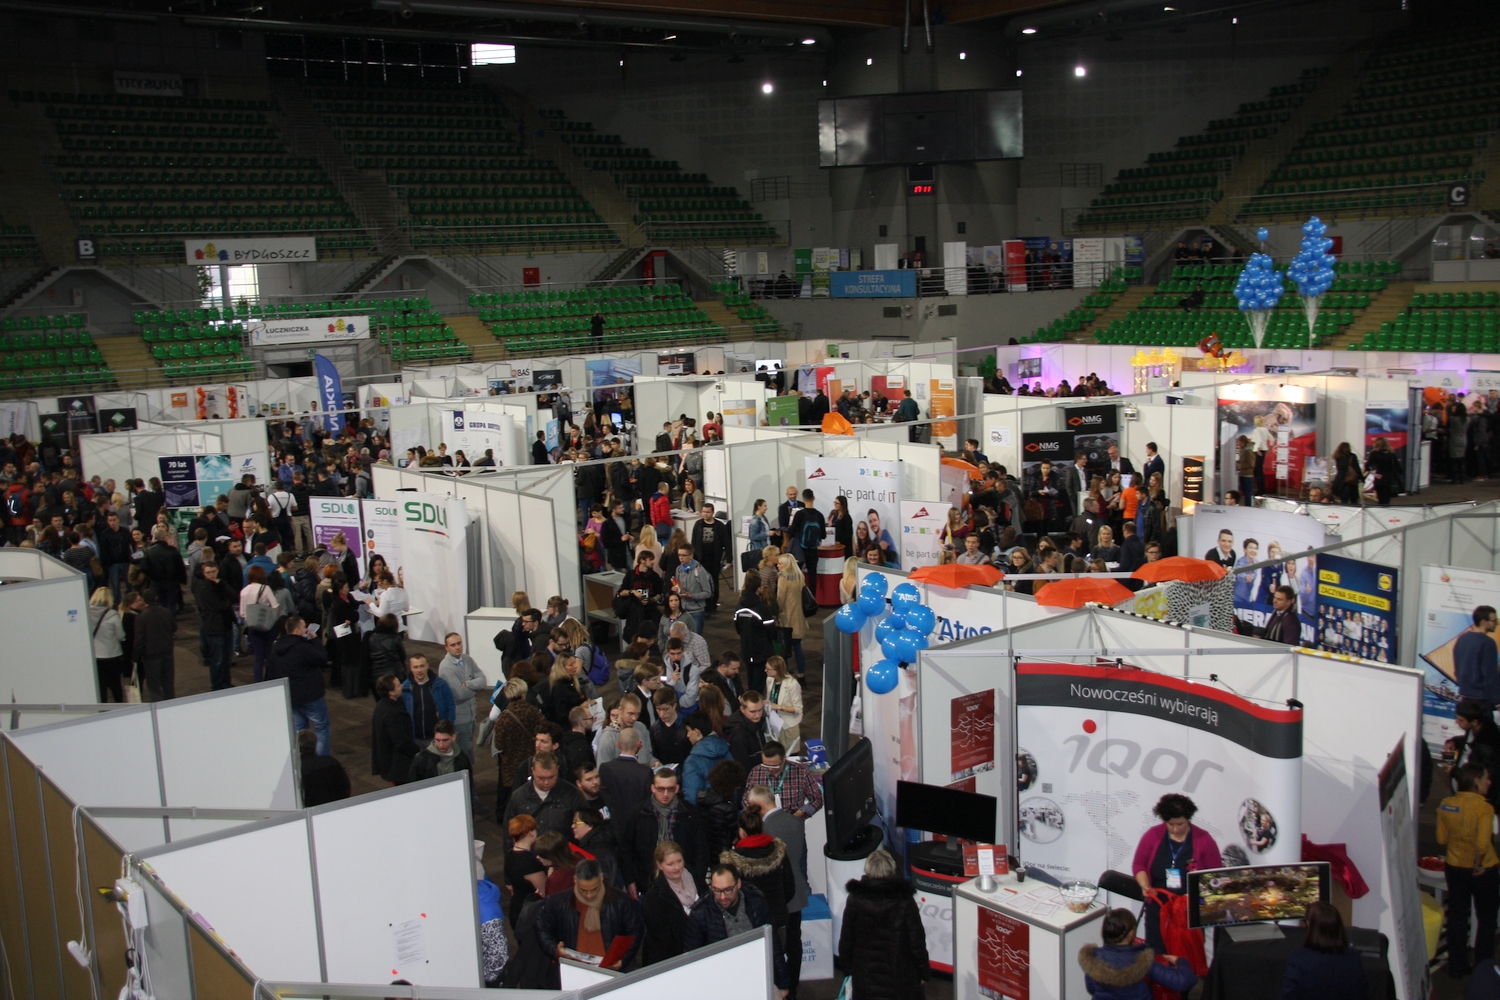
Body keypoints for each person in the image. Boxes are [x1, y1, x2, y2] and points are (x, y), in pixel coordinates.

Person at [1132, 794, 1222, 952]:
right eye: (1170, 824)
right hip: (1158, 909)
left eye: (1180, 824)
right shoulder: (1153, 835)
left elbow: (1216, 877)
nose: (1175, 829)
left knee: (1186, 955)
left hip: (1189, 911)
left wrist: (1196, 894)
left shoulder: (1204, 840)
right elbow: (1139, 864)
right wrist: (1145, 885)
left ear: (1188, 819)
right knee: (1158, 954)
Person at [684, 864, 791, 997]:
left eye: (728, 890)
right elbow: (692, 960)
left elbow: (774, 945)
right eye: (716, 890)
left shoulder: (757, 904)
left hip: (758, 978)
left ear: (738, 884)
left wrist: (783, 984)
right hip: (721, 986)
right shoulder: (700, 914)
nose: (722, 897)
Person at [836, 848, 928, 1000]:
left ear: (868, 869)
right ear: (891, 869)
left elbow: (847, 939)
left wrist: (848, 969)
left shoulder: (855, 899)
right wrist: (923, 972)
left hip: (865, 976)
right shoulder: (904, 900)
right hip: (900, 977)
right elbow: (917, 941)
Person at [1440, 762, 1500, 978]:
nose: (1489, 782)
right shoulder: (1484, 808)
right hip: (1483, 869)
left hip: (1454, 865)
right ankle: (1482, 969)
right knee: (1487, 918)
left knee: (1457, 915)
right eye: (1485, 778)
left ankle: (1457, 967)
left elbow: (1441, 838)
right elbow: (1483, 844)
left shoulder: (1446, 804)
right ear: (1476, 780)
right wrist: (1477, 864)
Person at [536, 859, 642, 971]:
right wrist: (554, 949)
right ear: (575, 880)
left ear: (601, 878)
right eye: (583, 890)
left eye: (594, 889)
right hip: (574, 970)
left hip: (610, 969)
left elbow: (635, 931)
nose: (589, 895)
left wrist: (623, 958)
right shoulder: (557, 903)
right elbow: (542, 928)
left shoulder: (621, 901)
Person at [1078, 907, 1198, 1000]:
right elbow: (1184, 981)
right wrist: (1181, 961)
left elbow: (1091, 988)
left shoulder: (1093, 959)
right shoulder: (1143, 962)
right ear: (1131, 934)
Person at [630, 768, 708, 895]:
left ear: (677, 789)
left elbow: (701, 849)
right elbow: (627, 849)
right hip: (647, 882)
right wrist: (631, 881)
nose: (665, 794)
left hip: (685, 880)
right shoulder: (638, 813)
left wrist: (697, 878)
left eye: (670, 789)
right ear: (653, 788)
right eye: (661, 789)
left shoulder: (690, 813)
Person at [267, 617, 332, 756]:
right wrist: (315, 640)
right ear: (297, 631)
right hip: (310, 696)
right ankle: (322, 761)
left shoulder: (277, 647)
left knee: (299, 729)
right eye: (304, 627)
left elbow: (270, 670)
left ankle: (300, 760)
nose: (306, 630)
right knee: (321, 728)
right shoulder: (303, 647)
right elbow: (322, 659)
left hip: (291, 696)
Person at [1279, 900, 1369, 999]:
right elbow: (1361, 993)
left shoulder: (1299, 959)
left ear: (1310, 925)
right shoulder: (1353, 957)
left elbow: (1289, 995)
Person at [504, 751, 587, 849]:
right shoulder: (519, 797)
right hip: (529, 856)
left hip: (562, 855)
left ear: (557, 769)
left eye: (551, 777)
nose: (546, 782)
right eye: (541, 778)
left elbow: (586, 828)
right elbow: (509, 833)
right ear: (532, 771)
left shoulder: (573, 795)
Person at [641, 840, 704, 966]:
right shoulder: (654, 896)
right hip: (673, 958)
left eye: (679, 861)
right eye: (670, 864)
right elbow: (661, 939)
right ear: (659, 865)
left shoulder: (693, 875)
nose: (677, 867)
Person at [437, 631, 488, 761]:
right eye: (453, 645)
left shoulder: (467, 659)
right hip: (459, 718)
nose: (457, 647)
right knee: (463, 753)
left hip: (471, 715)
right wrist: (476, 688)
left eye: (459, 643)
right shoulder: (446, 667)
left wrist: (467, 684)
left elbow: (483, 680)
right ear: (446, 648)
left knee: (468, 748)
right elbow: (460, 694)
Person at [747, 740, 822, 818]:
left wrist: (800, 813)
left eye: (774, 766)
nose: (770, 769)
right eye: (766, 765)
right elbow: (746, 800)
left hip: (793, 821)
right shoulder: (756, 772)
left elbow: (817, 799)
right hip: (764, 821)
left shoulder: (801, 771)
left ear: (784, 759)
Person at [192, 561, 236, 691]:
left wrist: (223, 585)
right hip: (214, 628)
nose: (211, 575)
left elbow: (235, 596)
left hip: (227, 625)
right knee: (217, 659)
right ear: (204, 573)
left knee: (227, 657)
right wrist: (228, 603)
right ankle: (217, 685)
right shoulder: (204, 589)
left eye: (213, 571)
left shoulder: (222, 583)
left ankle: (226, 682)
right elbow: (217, 606)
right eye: (208, 572)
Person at [371, 673, 420, 785]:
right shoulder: (392, 712)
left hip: (391, 763)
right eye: (398, 685)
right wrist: (417, 751)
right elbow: (401, 741)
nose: (402, 686)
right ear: (391, 692)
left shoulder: (382, 705)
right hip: (399, 766)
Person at [506, 815, 548, 927]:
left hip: (516, 909)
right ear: (531, 833)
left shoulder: (510, 854)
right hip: (530, 915)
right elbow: (545, 890)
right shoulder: (529, 863)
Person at [1456, 606, 1500, 714]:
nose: (1497, 623)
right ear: (1484, 622)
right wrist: (1497, 702)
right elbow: (1490, 676)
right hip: (1482, 701)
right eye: (1494, 621)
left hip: (1465, 697)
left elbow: (1458, 668)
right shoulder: (1488, 643)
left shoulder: (1462, 639)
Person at [775, 554, 808, 679]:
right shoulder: (800, 576)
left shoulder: (783, 578)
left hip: (787, 617)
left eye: (780, 563)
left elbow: (780, 599)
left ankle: (785, 673)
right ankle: (801, 673)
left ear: (787, 565)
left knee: (784, 647)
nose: (778, 565)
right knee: (797, 646)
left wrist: (776, 611)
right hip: (798, 616)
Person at [297, 729, 350, 806]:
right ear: (316, 743)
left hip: (312, 810)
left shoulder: (298, 771)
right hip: (335, 807)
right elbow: (345, 787)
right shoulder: (331, 762)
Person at [763, 658, 803, 753]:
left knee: (790, 754)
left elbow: (798, 709)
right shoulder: (769, 680)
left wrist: (779, 707)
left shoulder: (792, 684)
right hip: (774, 723)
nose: (765, 671)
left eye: (768, 669)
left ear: (777, 670)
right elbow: (770, 698)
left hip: (788, 725)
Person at [724, 691, 770, 772]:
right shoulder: (739, 736)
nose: (757, 715)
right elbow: (742, 766)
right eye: (752, 712)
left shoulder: (756, 723)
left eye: (760, 710)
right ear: (742, 709)